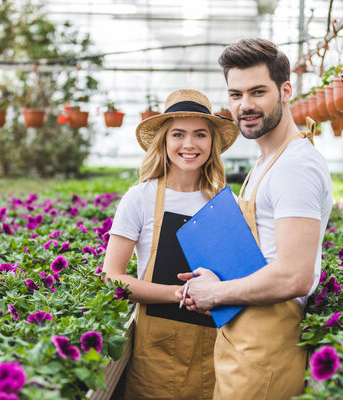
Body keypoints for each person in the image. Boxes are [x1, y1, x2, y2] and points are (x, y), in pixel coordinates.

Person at [178, 38, 334, 399]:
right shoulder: (267, 161)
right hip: (244, 335)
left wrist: (215, 293)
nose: (244, 105)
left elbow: (295, 275)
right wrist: (210, 279)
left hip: (267, 344)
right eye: (235, 95)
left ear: (284, 91)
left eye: (257, 92)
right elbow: (266, 254)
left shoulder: (295, 166)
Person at [102, 89, 239, 400]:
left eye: (200, 135)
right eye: (178, 134)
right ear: (163, 140)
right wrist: (180, 294)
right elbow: (112, 276)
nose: (189, 144)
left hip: (213, 348)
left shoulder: (223, 202)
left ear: (212, 143)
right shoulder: (140, 197)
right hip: (156, 349)